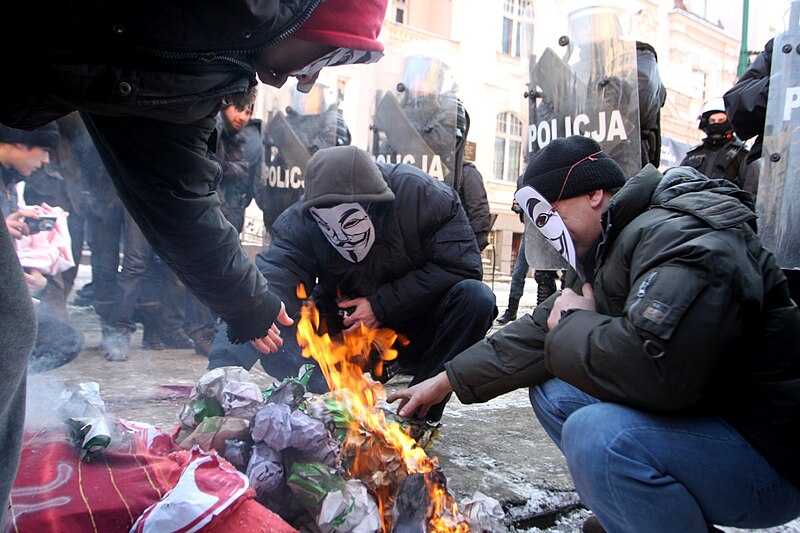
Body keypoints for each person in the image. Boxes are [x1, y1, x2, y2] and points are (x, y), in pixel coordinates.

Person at [0, 0, 389, 525]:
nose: (302, 83)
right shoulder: (214, 25)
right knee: (7, 328)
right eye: (322, 58)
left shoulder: (206, 59)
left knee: (10, 326)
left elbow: (176, 192)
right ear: (306, 18)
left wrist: (247, 300)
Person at [388, 135, 800, 532]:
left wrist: (572, 326)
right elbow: (536, 331)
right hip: (714, 413)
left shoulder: (682, 236)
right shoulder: (615, 242)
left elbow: (661, 368)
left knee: (597, 436)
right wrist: (443, 382)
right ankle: (637, 510)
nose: (551, 232)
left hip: (768, 453)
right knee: (554, 390)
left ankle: (644, 508)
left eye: (551, 213)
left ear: (594, 194)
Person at [209, 145, 497, 421]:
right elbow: (274, 277)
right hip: (346, 331)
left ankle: (417, 413)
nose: (343, 238)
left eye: (350, 223)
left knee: (476, 299)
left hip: (416, 325)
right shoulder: (303, 218)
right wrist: (220, 371)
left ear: (374, 204)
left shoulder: (423, 196)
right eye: (331, 228)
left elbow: (463, 267)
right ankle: (335, 397)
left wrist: (381, 306)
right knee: (275, 321)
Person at [680, 98, 759, 194]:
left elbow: (751, 190)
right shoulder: (693, 155)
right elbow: (678, 182)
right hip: (692, 205)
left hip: (727, 207)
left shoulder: (742, 156)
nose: (716, 123)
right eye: (712, 121)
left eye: (721, 120)